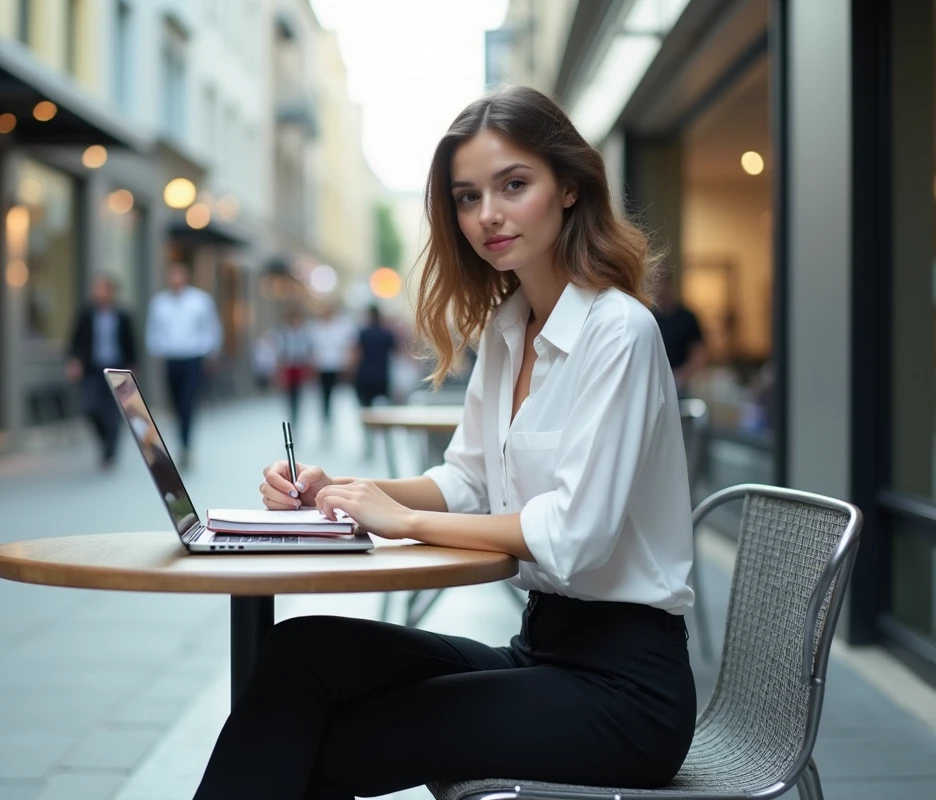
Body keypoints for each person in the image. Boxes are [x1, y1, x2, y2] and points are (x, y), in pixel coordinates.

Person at [192, 86, 697, 799]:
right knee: (302, 651)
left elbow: (573, 537)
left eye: (513, 185)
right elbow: (465, 481)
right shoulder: (507, 329)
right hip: (541, 649)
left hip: (627, 693)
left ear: (570, 188)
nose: (487, 214)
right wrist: (342, 493)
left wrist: (403, 521)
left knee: (328, 742)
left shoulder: (619, 332)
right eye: (467, 197)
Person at [145, 263, 223, 469]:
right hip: (171, 358)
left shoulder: (200, 300)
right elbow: (153, 331)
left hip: (192, 358)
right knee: (175, 403)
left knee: (188, 401)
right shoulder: (160, 303)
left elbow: (211, 328)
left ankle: (185, 444)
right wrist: (156, 351)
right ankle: (181, 438)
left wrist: (210, 353)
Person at [66, 274, 139, 469]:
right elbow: (76, 340)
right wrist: (74, 362)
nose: (98, 292)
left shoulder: (122, 315)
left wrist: (132, 367)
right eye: (96, 288)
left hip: (117, 368)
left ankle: (110, 450)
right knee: (90, 407)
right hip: (93, 368)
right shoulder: (87, 314)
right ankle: (105, 440)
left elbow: (131, 343)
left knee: (113, 411)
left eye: (102, 288)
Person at [349, 304, 397, 457]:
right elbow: (395, 353)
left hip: (365, 376)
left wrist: (351, 372)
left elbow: (357, 353)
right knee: (384, 409)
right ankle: (384, 440)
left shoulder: (363, 333)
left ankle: (368, 441)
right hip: (382, 376)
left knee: (365, 409)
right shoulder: (387, 333)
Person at [651, 271, 706, 395]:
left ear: (669, 285)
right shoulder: (649, 318)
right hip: (656, 384)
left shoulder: (687, 318)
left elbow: (699, 354)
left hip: (682, 384)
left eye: (661, 283)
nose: (658, 289)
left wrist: (682, 376)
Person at [307, 304, 356, 429]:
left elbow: (347, 345)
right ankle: (326, 418)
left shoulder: (340, 326)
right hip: (322, 365)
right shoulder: (316, 327)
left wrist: (347, 362)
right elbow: (313, 347)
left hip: (336, 364)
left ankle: (331, 418)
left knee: (335, 393)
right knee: (324, 393)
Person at [275, 307, 313, 429]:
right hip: (289, 365)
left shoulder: (304, 333)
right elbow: (280, 351)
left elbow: (308, 349)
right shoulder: (284, 333)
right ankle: (291, 416)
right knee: (289, 393)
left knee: (298, 392)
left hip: (299, 365)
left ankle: (296, 417)